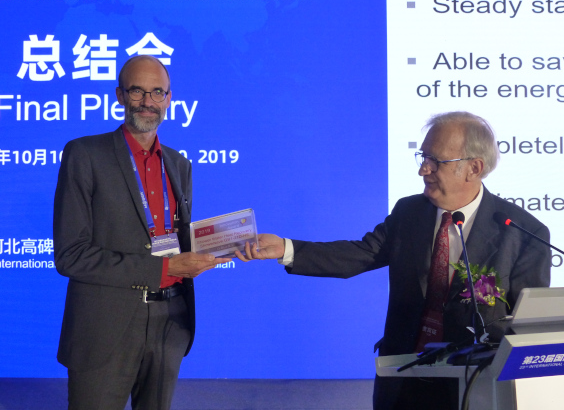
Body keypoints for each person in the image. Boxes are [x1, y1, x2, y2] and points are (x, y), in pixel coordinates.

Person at [236, 111, 551, 410]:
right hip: (403, 378)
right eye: (423, 157)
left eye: (435, 161)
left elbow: (526, 330)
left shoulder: (522, 233)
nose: (423, 170)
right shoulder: (409, 212)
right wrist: (287, 248)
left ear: (474, 168)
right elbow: (361, 254)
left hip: (475, 386)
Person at [53, 55, 230, 410]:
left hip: (171, 322)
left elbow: (177, 238)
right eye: (137, 91)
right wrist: (164, 269)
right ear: (120, 95)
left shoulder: (178, 164)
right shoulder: (85, 154)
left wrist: (228, 243)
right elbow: (71, 255)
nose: (148, 102)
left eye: (157, 92)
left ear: (169, 99)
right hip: (105, 326)